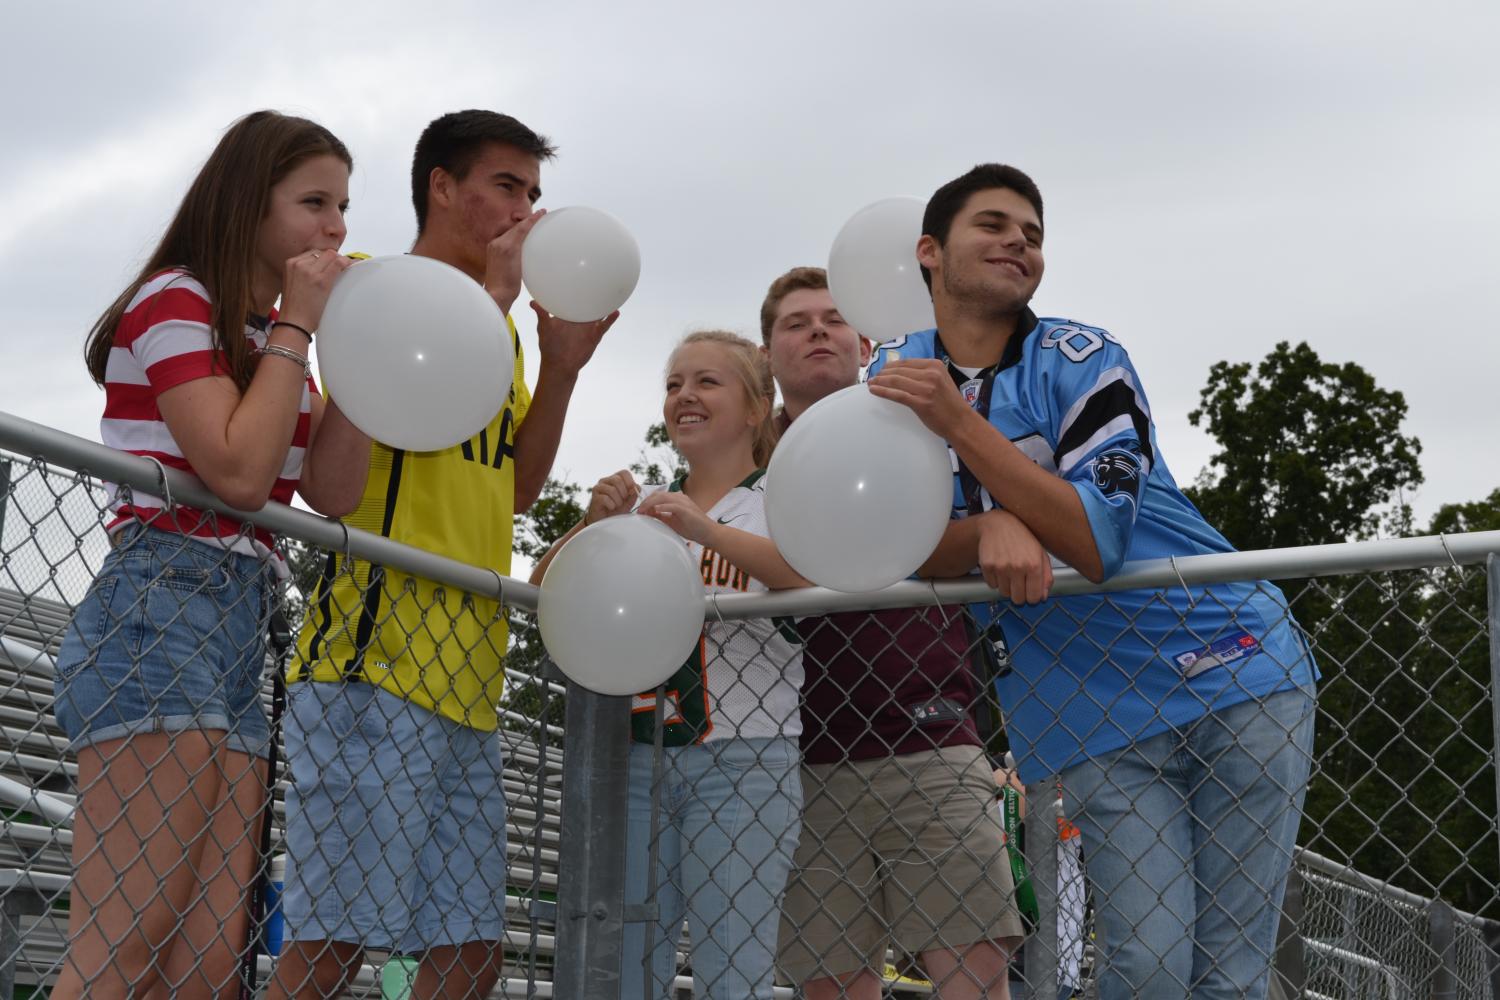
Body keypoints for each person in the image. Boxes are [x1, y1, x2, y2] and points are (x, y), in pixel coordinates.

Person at [865, 163, 1318, 999]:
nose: (1019, 243)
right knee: (1141, 967)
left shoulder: (1085, 356)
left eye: (1033, 234)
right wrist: (983, 528)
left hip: (1233, 663)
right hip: (1090, 704)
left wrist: (960, 428)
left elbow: (1093, 539)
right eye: (993, 225)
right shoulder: (889, 379)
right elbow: (875, 544)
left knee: (1228, 974)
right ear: (929, 251)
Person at [267, 110, 617, 1000]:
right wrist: (491, 300)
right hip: (371, 669)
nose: (526, 211)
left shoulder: (495, 332)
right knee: (333, 947)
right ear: (442, 187)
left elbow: (516, 489)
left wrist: (562, 365)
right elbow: (330, 485)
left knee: (469, 958)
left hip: (467, 674)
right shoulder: (371, 290)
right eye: (508, 186)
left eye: (536, 193)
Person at [50, 110, 371, 998]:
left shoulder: (281, 344)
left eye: (344, 207)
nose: (336, 229)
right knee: (129, 932)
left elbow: (334, 491)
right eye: (314, 202)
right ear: (247, 201)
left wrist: (363, 360)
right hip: (165, 596)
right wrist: (299, 327)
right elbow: (234, 468)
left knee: (201, 963)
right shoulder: (174, 298)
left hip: (246, 619)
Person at [761, 267, 1025, 1000]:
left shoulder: (924, 426)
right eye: (794, 322)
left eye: (833, 318)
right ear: (767, 353)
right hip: (802, 762)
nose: (816, 329)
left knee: (973, 981)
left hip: (931, 738)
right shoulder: (748, 469)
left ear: (866, 340)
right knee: (832, 987)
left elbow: (1006, 501)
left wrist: (991, 524)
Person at [531, 330, 807, 1000]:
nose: (685, 395)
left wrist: (704, 531)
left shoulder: (783, 497)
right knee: (621, 970)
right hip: (637, 758)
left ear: (754, 408)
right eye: (674, 383)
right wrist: (586, 527)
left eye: (707, 381)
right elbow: (542, 594)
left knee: (731, 974)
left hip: (747, 760)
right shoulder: (645, 510)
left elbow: (807, 576)